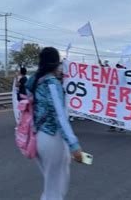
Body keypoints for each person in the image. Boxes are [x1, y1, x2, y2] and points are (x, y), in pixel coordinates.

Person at [26, 47, 82, 200]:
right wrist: (74, 145)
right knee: (55, 190)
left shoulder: (34, 81)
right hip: (51, 137)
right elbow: (60, 116)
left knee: (51, 186)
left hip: (37, 137)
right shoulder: (52, 83)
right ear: (55, 64)